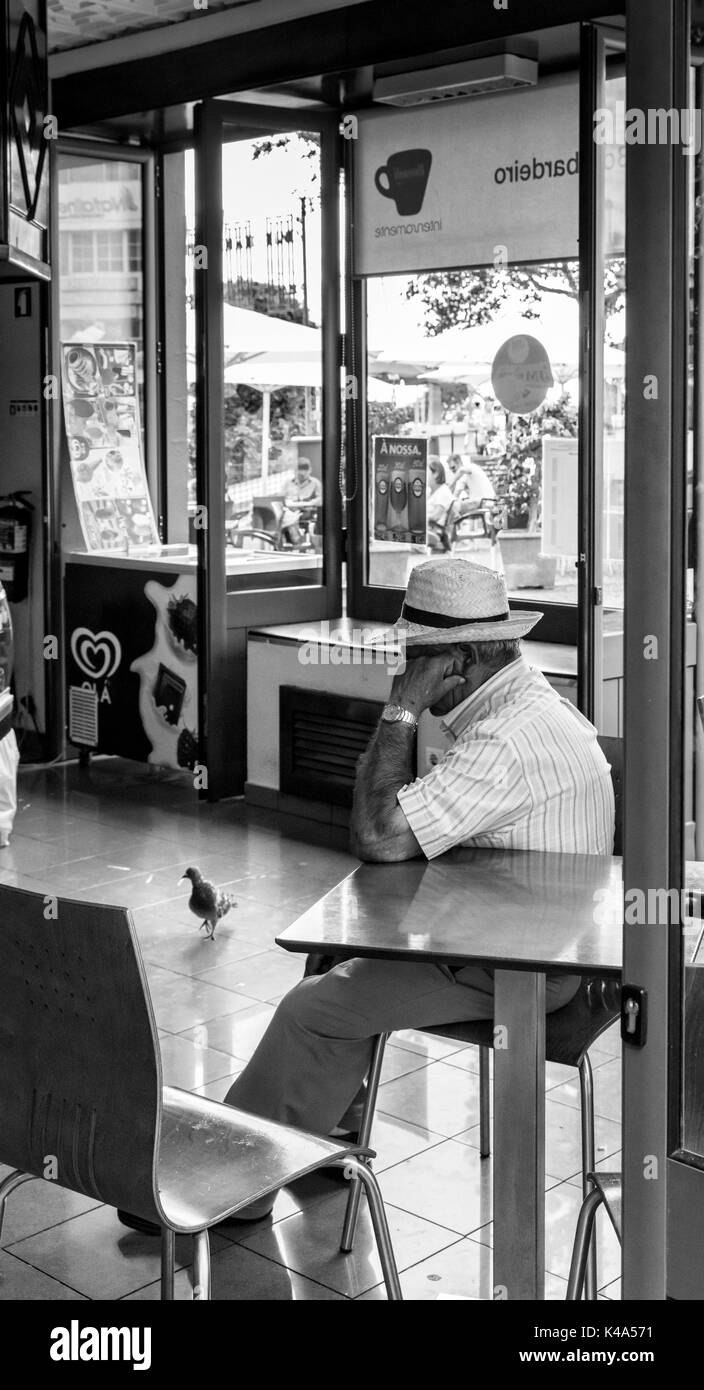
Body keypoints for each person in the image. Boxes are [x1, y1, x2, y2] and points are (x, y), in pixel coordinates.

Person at [211, 557, 614, 1218]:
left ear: (458, 659)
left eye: (415, 657)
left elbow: (378, 836)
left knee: (313, 1008)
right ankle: (321, 1137)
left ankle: (230, 1184)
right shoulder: (528, 700)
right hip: (523, 928)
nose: (403, 669)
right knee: (335, 955)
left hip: (520, 970)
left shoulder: (502, 742)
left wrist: (400, 711)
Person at [281, 456, 322, 544]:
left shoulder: (315, 483)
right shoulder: (288, 483)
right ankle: (292, 541)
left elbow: (320, 500)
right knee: (285, 516)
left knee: (291, 518)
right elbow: (281, 498)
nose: (302, 473)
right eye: (299, 469)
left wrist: (307, 503)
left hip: (307, 513)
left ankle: (296, 541)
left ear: (310, 470)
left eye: (305, 470)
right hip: (289, 511)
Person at [426, 457, 455, 551]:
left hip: (432, 532)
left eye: (426, 472)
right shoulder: (433, 492)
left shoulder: (443, 492)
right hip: (427, 529)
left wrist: (418, 519)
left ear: (436, 473)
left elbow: (435, 516)